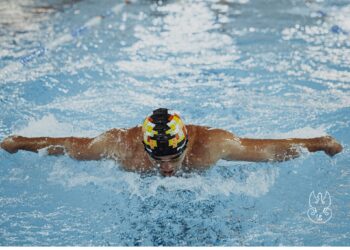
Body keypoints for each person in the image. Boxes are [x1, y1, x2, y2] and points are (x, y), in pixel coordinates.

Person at [0, 108, 343, 177]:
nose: (165, 168)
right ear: (144, 147)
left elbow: (267, 150)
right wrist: (18, 143)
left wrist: (320, 143)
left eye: (173, 160)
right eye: (157, 160)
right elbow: (69, 145)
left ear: (186, 145)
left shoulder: (211, 145)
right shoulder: (122, 145)